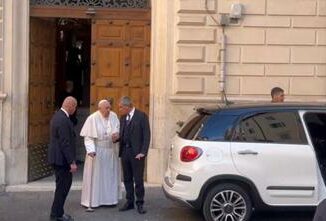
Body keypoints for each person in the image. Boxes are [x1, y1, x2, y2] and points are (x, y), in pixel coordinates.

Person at [80, 99, 121, 209]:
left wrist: (116, 136)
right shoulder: (92, 118)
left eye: (109, 107)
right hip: (97, 152)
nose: (109, 110)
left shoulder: (113, 116)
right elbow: (88, 137)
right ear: (100, 109)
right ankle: (94, 201)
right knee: (97, 178)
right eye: (106, 108)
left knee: (109, 177)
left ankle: (110, 200)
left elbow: (117, 129)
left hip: (110, 151)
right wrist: (91, 150)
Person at [118, 96, 151, 214]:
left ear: (127, 106)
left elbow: (147, 136)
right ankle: (129, 201)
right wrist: (117, 138)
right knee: (127, 179)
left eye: (121, 107)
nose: (120, 109)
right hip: (125, 153)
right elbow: (122, 134)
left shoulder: (141, 116)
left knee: (138, 180)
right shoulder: (123, 117)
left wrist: (143, 152)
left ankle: (140, 203)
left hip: (137, 154)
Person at [48, 96, 78, 221]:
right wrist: (71, 162)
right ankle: (56, 215)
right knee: (63, 187)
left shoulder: (59, 116)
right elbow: (65, 142)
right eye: (75, 107)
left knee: (62, 186)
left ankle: (58, 212)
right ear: (70, 105)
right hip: (61, 160)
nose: (75, 109)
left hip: (58, 158)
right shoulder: (62, 119)